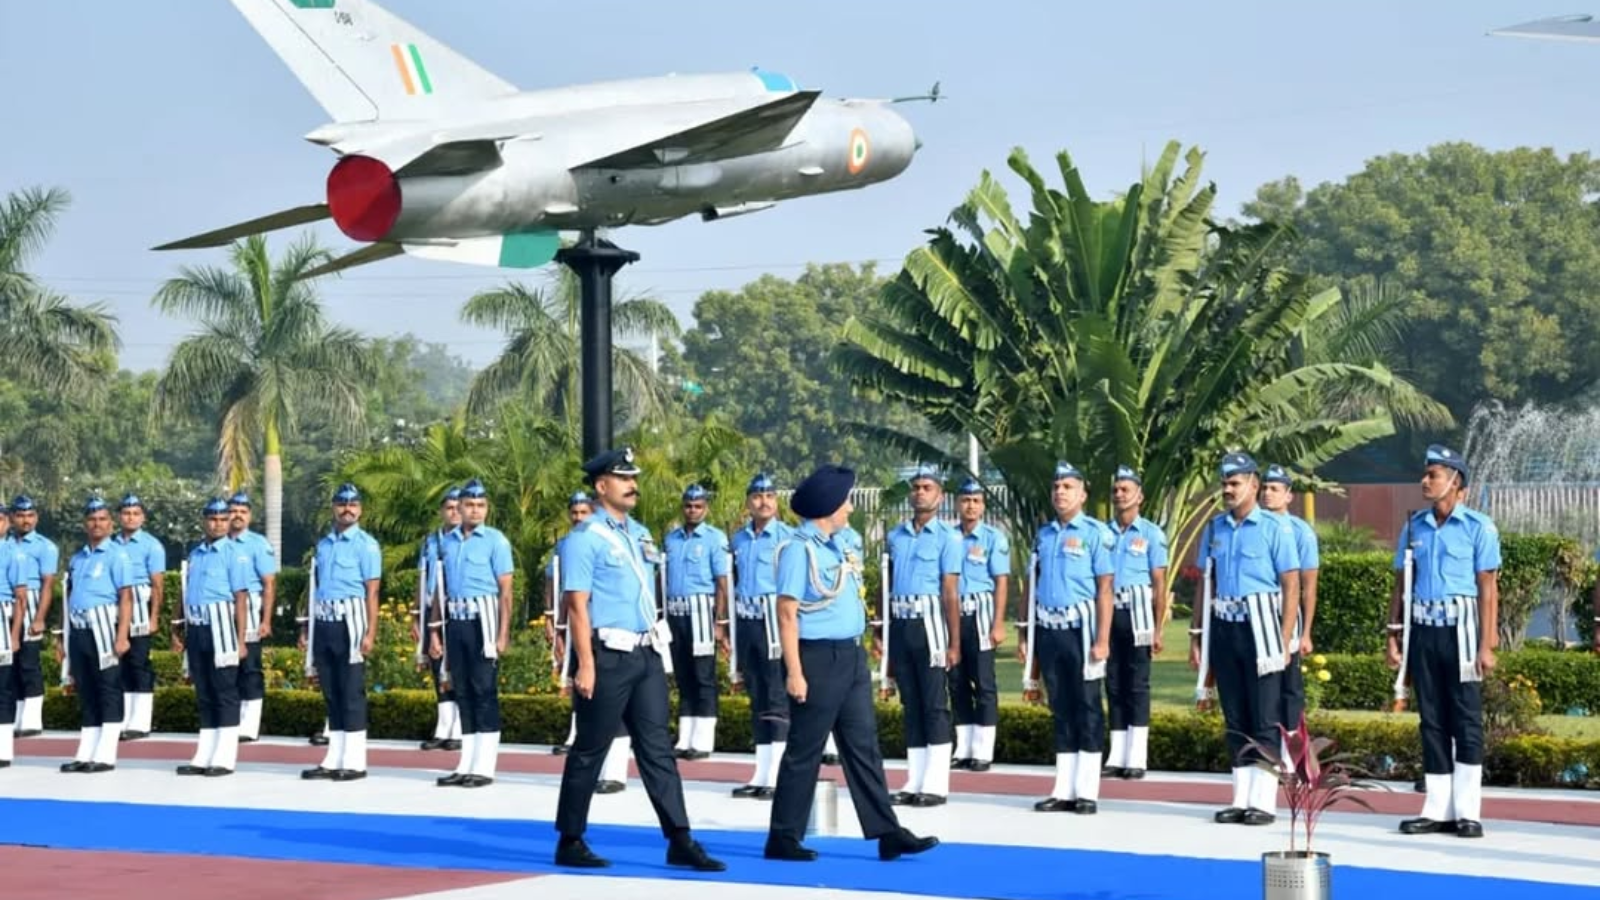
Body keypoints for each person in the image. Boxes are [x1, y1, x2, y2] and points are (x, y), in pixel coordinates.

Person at [554, 446, 722, 871]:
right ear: (601, 486)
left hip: (646, 653)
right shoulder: (584, 539)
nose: (632, 485)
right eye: (623, 478)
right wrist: (585, 664)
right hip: (607, 655)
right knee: (590, 748)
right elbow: (577, 606)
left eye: (633, 478)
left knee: (658, 748)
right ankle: (570, 839)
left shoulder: (641, 533)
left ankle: (679, 837)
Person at [763, 464, 939, 862]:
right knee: (805, 749)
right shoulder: (799, 550)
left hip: (850, 654)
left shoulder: (839, 545)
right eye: (845, 502)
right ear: (829, 506)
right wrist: (795, 672)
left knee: (863, 746)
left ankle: (886, 831)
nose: (851, 509)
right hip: (817, 657)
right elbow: (787, 614)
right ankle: (784, 836)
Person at [1390, 445, 1500, 839]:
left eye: (1433, 474)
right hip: (1423, 630)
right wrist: (1393, 635)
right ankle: (1437, 808)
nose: (1425, 481)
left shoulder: (1479, 527)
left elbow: (1488, 588)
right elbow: (1401, 584)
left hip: (1462, 631)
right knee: (1432, 719)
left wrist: (1487, 644)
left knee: (1466, 719)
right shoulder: (1413, 526)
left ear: (1455, 482)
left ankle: (1468, 812)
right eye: (1425, 473)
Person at [1190, 453, 1300, 826]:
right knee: (1235, 715)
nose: (1227, 489)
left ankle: (1263, 801)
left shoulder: (1274, 528)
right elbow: (1206, 584)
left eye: (1234, 483)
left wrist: (1285, 638)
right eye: (1225, 483)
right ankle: (1240, 798)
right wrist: (1197, 635)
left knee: (1265, 715)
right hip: (1226, 626)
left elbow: (1291, 585)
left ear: (1253, 485)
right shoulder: (1215, 529)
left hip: (1262, 628)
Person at [1023, 462, 1113, 813]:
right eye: (1056, 486)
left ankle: (1087, 790)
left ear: (1083, 494)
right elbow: (1033, 585)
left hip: (1082, 629)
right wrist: (1026, 633)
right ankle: (1063, 788)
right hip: (1050, 628)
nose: (1060, 492)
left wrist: (1102, 639)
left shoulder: (1095, 533)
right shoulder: (1044, 535)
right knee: (1059, 706)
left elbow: (1105, 589)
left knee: (1087, 705)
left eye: (1068, 487)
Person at [883, 466, 962, 806]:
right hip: (901, 622)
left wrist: (954, 642)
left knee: (933, 703)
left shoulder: (948, 537)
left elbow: (950, 591)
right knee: (910, 703)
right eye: (915, 487)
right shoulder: (896, 536)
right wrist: (882, 632)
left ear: (940, 496)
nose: (919, 492)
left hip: (930, 623)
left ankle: (936, 783)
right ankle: (914, 779)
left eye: (927, 487)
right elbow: (886, 585)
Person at [433, 478, 514, 788]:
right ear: (460, 507)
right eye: (470, 505)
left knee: (484, 691)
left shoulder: (496, 541)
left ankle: (484, 766)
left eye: (481, 505)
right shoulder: (448, 542)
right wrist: (435, 631)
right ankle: (466, 762)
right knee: (462, 692)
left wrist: (502, 633)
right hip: (456, 620)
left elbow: (506, 591)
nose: (475, 510)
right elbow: (440, 589)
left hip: (484, 620)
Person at [300, 483, 381, 781]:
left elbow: (372, 592)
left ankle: (355, 761)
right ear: (334, 507)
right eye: (342, 504)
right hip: (325, 620)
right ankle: (334, 758)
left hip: (351, 621)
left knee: (350, 692)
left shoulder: (366, 545)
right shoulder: (324, 544)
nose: (347, 509)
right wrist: (308, 628)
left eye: (353, 504)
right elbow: (315, 588)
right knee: (331, 692)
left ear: (360, 509)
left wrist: (370, 633)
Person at [729, 472, 794, 797]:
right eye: (757, 496)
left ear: (776, 500)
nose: (763, 502)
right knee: (757, 695)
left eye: (769, 496)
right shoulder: (739, 539)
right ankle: (761, 772)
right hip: (747, 621)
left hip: (774, 623)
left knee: (776, 695)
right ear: (748, 502)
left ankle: (778, 773)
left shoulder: (787, 538)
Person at [175, 498, 250, 777]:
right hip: (197, 628)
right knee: (204, 692)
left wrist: (241, 641)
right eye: (212, 519)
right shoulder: (196, 554)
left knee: (225, 691)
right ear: (204, 521)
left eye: (222, 519)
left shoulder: (234, 553)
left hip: (222, 629)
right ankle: (204, 754)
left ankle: (225, 756)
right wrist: (179, 630)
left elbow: (241, 600)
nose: (217, 524)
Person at [59, 497, 134, 773]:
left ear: (111, 524)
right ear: (84, 524)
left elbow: (126, 597)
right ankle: (86, 752)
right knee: (86, 689)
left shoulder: (117, 555)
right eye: (92, 519)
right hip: (79, 629)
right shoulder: (78, 558)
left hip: (104, 629)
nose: (97, 524)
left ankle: (106, 754)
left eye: (102, 519)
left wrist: (122, 635)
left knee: (108, 688)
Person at [1103, 465, 1168, 780]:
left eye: (1125, 489)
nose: (1119, 495)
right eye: (1116, 490)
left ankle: (1137, 756)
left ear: (1139, 496)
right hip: (1108, 612)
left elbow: (1159, 584)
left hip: (1138, 614)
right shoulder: (1102, 533)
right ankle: (1117, 754)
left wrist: (1158, 628)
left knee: (1137, 684)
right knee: (1113, 683)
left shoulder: (1151, 534)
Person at [663, 484, 731, 760]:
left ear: (706, 508)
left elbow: (722, 582)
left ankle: (703, 739)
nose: (693, 510)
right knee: (683, 676)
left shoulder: (714, 538)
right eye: (689, 506)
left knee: (703, 676)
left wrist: (721, 621)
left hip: (702, 610)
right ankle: (685, 737)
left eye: (698, 506)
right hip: (676, 611)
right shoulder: (672, 538)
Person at [949, 477, 1009, 773]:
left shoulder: (993, 538)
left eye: (976, 501)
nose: (970, 506)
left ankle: (984, 748)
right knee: (956, 680)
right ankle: (964, 746)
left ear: (983, 506)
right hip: (953, 615)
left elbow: (1001, 582)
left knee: (984, 682)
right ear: (957, 504)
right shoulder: (948, 537)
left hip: (981, 614)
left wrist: (998, 623)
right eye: (965, 500)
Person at [1260, 465, 1320, 752]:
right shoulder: (1253, 525)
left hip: (1286, 615)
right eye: (1264, 488)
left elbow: (1308, 587)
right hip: (1255, 616)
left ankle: (1291, 751)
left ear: (1288, 496)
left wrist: (1305, 632)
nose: (1267, 494)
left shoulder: (1300, 531)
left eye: (1274, 489)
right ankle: (1264, 747)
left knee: (1289, 686)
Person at [226, 492, 278, 743]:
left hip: (249, 612)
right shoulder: (216, 542)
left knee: (250, 669)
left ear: (250, 516)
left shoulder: (258, 544)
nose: (237, 515)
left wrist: (266, 620)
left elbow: (269, 584)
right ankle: (229, 720)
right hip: (221, 613)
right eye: (233, 511)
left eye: (242, 511)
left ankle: (249, 724)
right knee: (225, 669)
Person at [113, 494, 166, 742]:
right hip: (113, 609)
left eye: (135, 513)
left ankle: (141, 722)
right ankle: (123, 719)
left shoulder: (151, 545)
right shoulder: (111, 543)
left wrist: (154, 618)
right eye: (126, 513)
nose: (131, 518)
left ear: (143, 517)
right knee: (118, 665)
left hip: (139, 610)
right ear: (119, 516)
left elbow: (157, 585)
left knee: (139, 664)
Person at [418, 488, 463, 752]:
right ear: (442, 511)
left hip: (456, 610)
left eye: (458, 507)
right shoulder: (430, 542)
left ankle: (458, 728)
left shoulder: (468, 540)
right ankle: (443, 727)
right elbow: (421, 578)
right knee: (438, 668)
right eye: (449, 508)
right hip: (431, 610)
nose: (454, 512)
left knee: (457, 667)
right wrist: (416, 616)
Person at [10, 494, 59, 739]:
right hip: (6, 602)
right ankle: (15, 716)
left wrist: (40, 618)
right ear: (12, 518)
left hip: (30, 603)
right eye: (20, 515)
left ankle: (32, 718)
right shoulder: (6, 543)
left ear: (36, 517)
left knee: (29, 663)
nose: (26, 520)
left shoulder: (45, 546)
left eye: (30, 515)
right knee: (9, 664)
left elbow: (48, 584)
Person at [0, 505, 15, 767]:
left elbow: (21, 597)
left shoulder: (13, 552)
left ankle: (3, 749)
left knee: (2, 686)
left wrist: (14, 635)